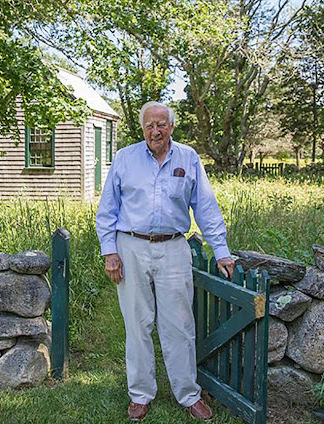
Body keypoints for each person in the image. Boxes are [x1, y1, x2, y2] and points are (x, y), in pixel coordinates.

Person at [96, 101, 235, 421]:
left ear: (172, 126)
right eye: (149, 126)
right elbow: (107, 211)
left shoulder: (188, 158)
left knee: (180, 326)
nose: (155, 131)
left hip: (174, 248)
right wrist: (110, 251)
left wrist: (222, 250)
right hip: (130, 247)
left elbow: (206, 207)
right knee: (138, 325)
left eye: (161, 124)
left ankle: (188, 394)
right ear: (142, 129)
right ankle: (140, 394)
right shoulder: (125, 159)